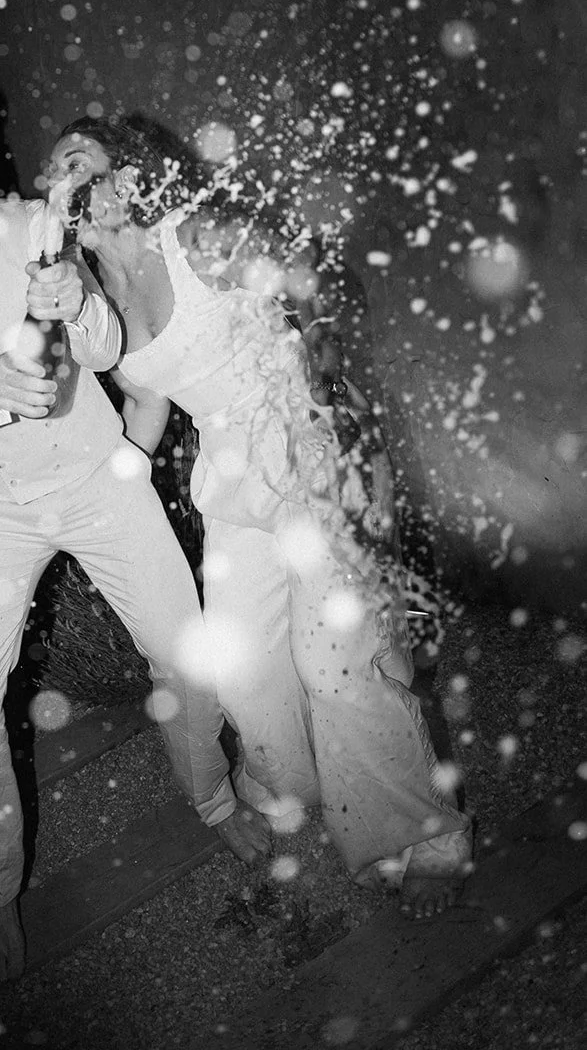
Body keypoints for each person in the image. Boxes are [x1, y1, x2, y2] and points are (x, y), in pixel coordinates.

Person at [0, 78, 270, 984]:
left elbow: (109, 349)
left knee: (185, 657)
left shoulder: (34, 224)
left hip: (95, 478)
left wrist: (75, 302)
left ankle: (212, 800)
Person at [47, 116, 474, 921]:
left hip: (308, 447)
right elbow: (147, 402)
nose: (61, 177)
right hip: (233, 481)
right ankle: (300, 782)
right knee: (242, 669)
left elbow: (318, 282)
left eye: (78, 160)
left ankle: (423, 837)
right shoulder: (96, 300)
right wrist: (105, 490)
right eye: (53, 169)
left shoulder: (196, 238)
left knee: (334, 664)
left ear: (128, 176)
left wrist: (327, 397)